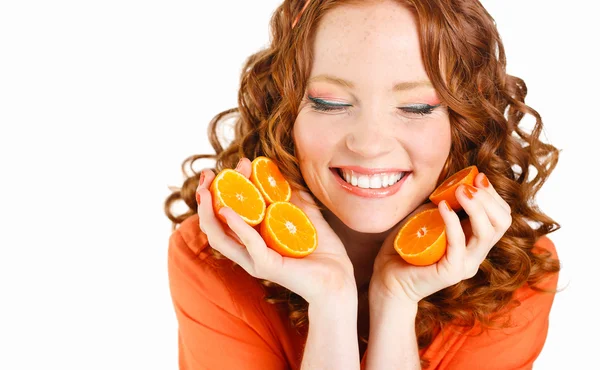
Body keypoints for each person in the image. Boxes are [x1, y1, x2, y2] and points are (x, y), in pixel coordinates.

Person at [164, 0, 561, 368]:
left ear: (466, 122)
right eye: (330, 103)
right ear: (285, 112)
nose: (369, 145)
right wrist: (330, 301)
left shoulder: (518, 277)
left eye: (416, 107)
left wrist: (397, 300)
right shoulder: (213, 260)